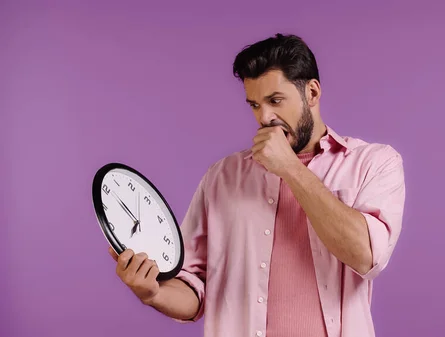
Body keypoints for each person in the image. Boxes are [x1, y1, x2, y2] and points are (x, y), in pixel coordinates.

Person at [108, 33, 406, 337]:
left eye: (275, 101)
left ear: (312, 93)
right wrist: (152, 294)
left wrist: (289, 167)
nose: (264, 117)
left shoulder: (374, 162)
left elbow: (366, 256)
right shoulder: (222, 176)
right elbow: (194, 289)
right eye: (254, 104)